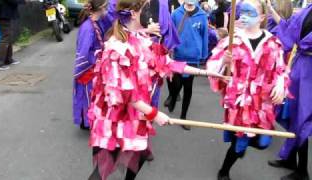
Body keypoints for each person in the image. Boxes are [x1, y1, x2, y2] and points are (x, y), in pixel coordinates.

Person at [87, 0, 226, 179]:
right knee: (104, 168)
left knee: (141, 154)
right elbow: (124, 95)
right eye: (147, 8)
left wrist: (206, 72)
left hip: (133, 115)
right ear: (134, 13)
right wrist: (155, 114)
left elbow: (167, 63)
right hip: (115, 119)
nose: (152, 14)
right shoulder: (116, 48)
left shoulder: (141, 39)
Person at [206, 0, 289, 179]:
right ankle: (224, 171)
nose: (244, 16)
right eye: (242, 12)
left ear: (261, 17)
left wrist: (281, 84)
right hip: (239, 103)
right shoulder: (231, 41)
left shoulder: (273, 43)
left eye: (250, 13)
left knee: (263, 143)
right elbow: (211, 69)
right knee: (239, 143)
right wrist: (223, 62)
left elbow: (281, 69)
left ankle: (240, 145)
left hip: (262, 105)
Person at [266, 1, 312, 180]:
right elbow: (289, 28)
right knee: (293, 114)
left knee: (302, 119)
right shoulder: (308, 9)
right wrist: (271, 10)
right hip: (300, 66)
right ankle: (291, 160)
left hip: (309, 72)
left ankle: (302, 172)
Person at [167, 0, 209, 131]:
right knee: (176, 84)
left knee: (188, 87)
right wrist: (168, 50)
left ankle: (183, 117)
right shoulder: (175, 14)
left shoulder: (202, 15)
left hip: (193, 57)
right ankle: (173, 97)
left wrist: (203, 55)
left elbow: (204, 36)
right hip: (178, 55)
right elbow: (170, 33)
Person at [73, 0, 115, 130]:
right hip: (88, 68)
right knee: (87, 96)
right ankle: (86, 122)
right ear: (101, 8)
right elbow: (84, 53)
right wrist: (97, 59)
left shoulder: (94, 23)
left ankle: (88, 121)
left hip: (93, 66)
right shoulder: (88, 27)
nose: (107, 11)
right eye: (106, 8)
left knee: (90, 96)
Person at [0, 0, 26, 71]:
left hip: (3, 13)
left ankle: (8, 59)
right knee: (5, 37)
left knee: (8, 36)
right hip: (2, 14)